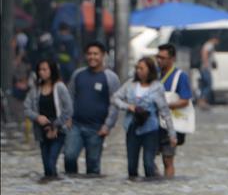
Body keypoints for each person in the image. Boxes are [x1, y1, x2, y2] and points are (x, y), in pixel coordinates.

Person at [113, 57, 176, 179]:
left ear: (150, 70)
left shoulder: (157, 87)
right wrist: (128, 106)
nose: (138, 71)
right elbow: (115, 98)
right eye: (137, 68)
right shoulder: (130, 84)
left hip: (150, 129)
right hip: (132, 126)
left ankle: (150, 190)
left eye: (142, 68)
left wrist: (172, 134)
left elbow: (165, 111)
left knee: (148, 163)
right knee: (131, 166)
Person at [64, 41, 120, 175]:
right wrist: (67, 117)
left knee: (93, 164)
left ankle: (91, 192)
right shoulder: (78, 74)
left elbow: (115, 104)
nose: (92, 57)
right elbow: (69, 96)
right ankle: (71, 185)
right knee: (69, 156)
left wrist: (107, 125)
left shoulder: (110, 78)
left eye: (96, 54)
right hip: (76, 125)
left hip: (97, 128)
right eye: (89, 54)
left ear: (103, 56)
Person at [23, 60, 73, 177]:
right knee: (46, 168)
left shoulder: (60, 87)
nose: (42, 72)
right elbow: (26, 108)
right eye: (40, 70)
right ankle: (49, 190)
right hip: (41, 131)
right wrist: (37, 117)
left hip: (58, 131)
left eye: (45, 69)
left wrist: (55, 125)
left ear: (52, 70)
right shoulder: (35, 89)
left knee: (51, 163)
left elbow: (68, 109)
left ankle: (57, 188)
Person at [156, 43, 193, 178]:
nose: (159, 60)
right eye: (157, 57)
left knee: (167, 159)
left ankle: (167, 183)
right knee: (149, 157)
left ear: (172, 59)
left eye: (163, 58)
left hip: (170, 124)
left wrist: (165, 105)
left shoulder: (180, 77)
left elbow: (185, 100)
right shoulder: (153, 74)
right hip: (152, 123)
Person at [198, 34, 218, 109]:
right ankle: (203, 101)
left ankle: (201, 101)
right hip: (206, 68)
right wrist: (206, 64)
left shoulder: (207, 44)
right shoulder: (209, 45)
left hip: (204, 68)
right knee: (208, 85)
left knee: (204, 85)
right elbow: (204, 53)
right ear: (214, 39)